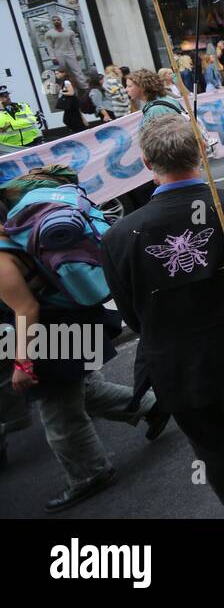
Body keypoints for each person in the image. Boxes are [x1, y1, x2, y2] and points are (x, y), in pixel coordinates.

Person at [101, 115, 224, 518]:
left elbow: (131, 314)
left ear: (146, 161)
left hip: (176, 360)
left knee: (212, 446)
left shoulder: (118, 236)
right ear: (201, 153)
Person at [1, 169, 168, 513]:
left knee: (60, 417)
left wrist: (22, 363)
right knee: (85, 390)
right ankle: (153, 405)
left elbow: (25, 309)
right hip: (69, 320)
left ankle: (90, 474)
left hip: (51, 334)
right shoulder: (9, 232)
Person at [0, 85, 42, 150]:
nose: (7, 97)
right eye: (3, 96)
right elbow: (2, 127)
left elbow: (32, 120)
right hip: (10, 147)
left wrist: (11, 124)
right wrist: (1, 110)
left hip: (32, 141)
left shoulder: (22, 106)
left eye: (7, 95)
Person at [54, 67, 86, 132]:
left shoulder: (66, 81)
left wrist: (61, 92)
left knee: (69, 119)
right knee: (73, 119)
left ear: (63, 73)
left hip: (71, 104)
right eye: (55, 74)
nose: (56, 75)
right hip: (71, 104)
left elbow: (71, 92)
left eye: (57, 73)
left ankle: (79, 130)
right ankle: (78, 130)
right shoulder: (65, 81)